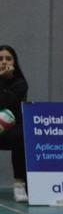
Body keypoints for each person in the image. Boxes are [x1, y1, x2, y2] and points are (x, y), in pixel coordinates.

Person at [0, 45, 28, 203]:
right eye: (0, 59)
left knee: (20, 135)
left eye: (8, 58)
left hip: (13, 129)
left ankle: (19, 184)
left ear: (14, 62)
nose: (4, 62)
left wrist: (3, 79)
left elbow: (6, 103)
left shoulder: (21, 83)